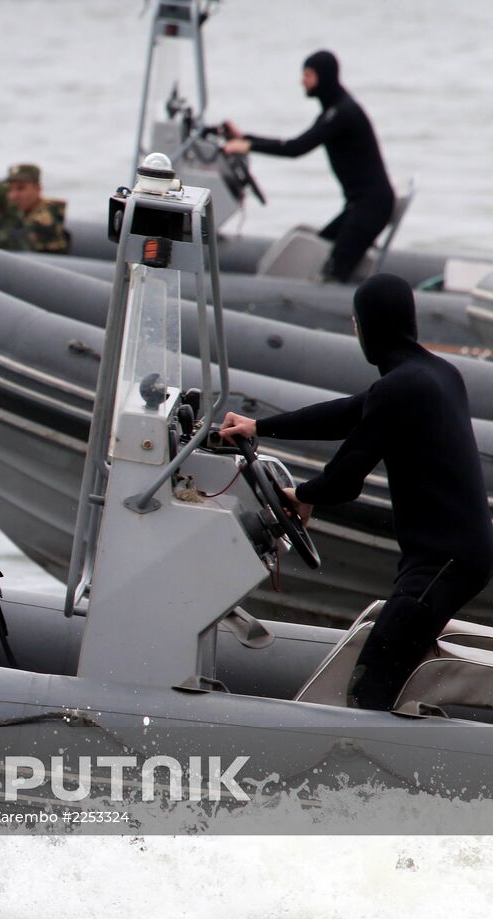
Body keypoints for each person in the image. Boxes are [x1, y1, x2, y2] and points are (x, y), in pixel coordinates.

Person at [219, 274, 493, 710]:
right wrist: (260, 427)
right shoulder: (435, 374)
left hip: (443, 562)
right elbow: (347, 414)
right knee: (389, 666)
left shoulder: (402, 387)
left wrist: (302, 493)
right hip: (453, 557)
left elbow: (344, 481)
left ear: (366, 327)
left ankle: (377, 768)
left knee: (372, 683)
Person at [223, 50, 394, 283]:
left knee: (333, 275)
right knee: (319, 250)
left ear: (324, 76)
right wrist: (245, 139)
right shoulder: (334, 111)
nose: (303, 81)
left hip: (370, 207)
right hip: (360, 206)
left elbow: (295, 148)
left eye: (308, 74)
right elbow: (294, 143)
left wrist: (246, 145)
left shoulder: (342, 113)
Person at [4, 163, 69, 253]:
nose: (13, 195)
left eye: (21, 188)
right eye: (10, 189)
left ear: (38, 188)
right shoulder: (20, 212)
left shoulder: (49, 215)